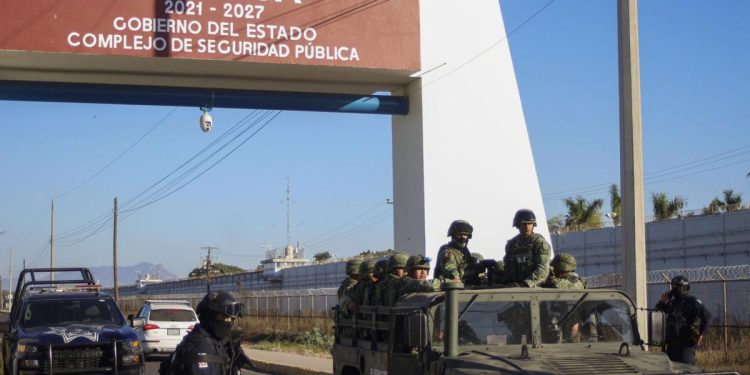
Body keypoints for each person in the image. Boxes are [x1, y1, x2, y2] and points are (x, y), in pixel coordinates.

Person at [161, 290, 254, 375]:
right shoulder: (200, 347)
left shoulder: (220, 343)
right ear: (209, 316)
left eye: (232, 319)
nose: (228, 321)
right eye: (224, 317)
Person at [655, 275, 710, 365]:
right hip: (671, 345)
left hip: (685, 345)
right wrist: (662, 301)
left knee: (686, 370)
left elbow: (706, 316)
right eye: (672, 286)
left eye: (676, 287)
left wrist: (701, 333)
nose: (673, 289)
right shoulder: (671, 303)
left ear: (684, 287)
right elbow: (657, 314)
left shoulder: (692, 301)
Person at [503, 209, 551, 287]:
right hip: (513, 287)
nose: (527, 226)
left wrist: (525, 284)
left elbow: (543, 269)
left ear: (533, 225)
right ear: (518, 225)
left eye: (530, 224)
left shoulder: (539, 243)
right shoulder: (512, 244)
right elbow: (508, 266)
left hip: (534, 288)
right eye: (524, 224)